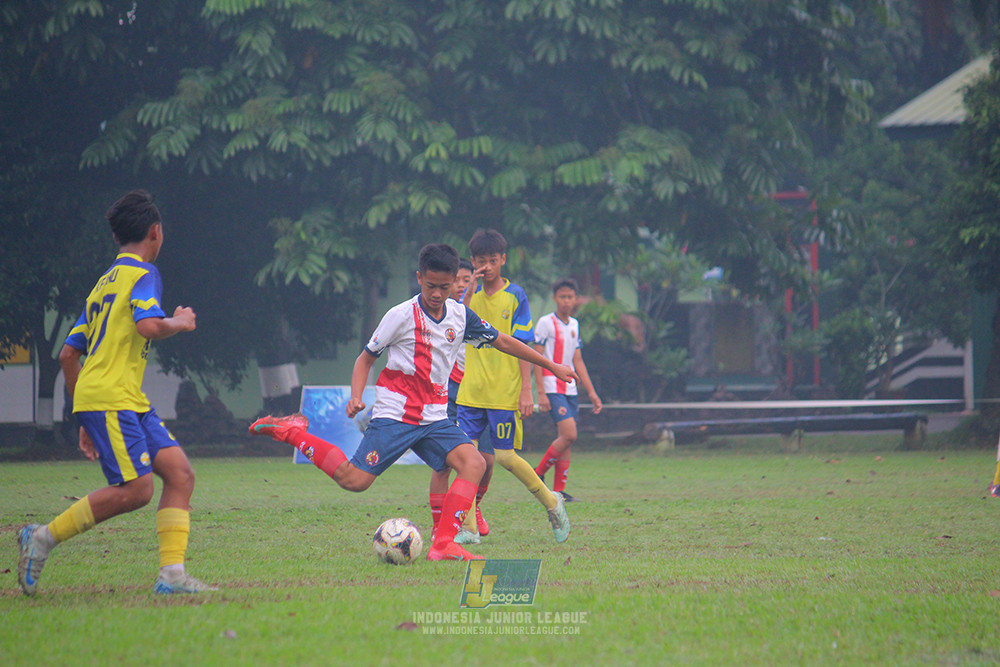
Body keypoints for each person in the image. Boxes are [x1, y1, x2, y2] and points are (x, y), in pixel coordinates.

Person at [249, 244, 576, 561]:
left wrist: (551, 366)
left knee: (474, 463)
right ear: (419, 278)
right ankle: (290, 431)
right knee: (354, 481)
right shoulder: (400, 315)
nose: (437, 293)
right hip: (395, 415)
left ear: (453, 283)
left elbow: (504, 340)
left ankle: (443, 544)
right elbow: (366, 359)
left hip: (435, 418)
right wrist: (356, 396)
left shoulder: (461, 316)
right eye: (431, 285)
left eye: (445, 287)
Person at [18, 189, 216, 596]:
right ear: (155, 233)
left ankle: (172, 576)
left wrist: (81, 414)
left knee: (180, 474)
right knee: (139, 489)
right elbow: (147, 325)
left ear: (116, 238)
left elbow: (68, 354)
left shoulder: (102, 284)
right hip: (112, 398)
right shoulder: (144, 274)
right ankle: (41, 538)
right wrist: (179, 322)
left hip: (118, 399)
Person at [454, 229, 571, 545]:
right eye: (481, 261)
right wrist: (469, 290)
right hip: (471, 391)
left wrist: (527, 391)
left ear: (503, 260)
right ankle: (468, 528)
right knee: (465, 457)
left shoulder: (515, 295)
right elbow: (456, 320)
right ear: (474, 262)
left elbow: (524, 345)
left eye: (493, 260)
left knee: (505, 458)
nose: (487, 266)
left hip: (504, 393)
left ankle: (552, 502)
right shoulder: (469, 296)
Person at [533, 278, 603, 501]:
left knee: (567, 438)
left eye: (570, 297)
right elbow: (537, 357)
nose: (566, 301)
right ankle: (536, 475)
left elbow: (578, 360)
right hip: (553, 387)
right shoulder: (545, 322)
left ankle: (559, 491)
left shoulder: (574, 324)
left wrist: (591, 392)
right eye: (562, 297)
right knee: (570, 434)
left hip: (570, 389)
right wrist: (541, 392)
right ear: (555, 298)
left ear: (575, 299)